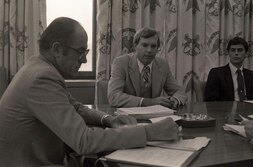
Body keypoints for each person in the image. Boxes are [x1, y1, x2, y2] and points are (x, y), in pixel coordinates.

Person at [0, 17, 181, 167]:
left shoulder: (38, 68)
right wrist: (150, 132)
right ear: (57, 49)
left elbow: (76, 108)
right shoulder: (42, 78)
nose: (85, 59)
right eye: (80, 51)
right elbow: (84, 141)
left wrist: (108, 119)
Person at [108, 27, 187, 109]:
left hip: (155, 118)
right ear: (135, 46)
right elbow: (114, 97)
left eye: (153, 46)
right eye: (145, 45)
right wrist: (149, 102)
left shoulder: (163, 65)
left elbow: (179, 92)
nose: (149, 50)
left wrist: (175, 100)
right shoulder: (121, 63)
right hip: (127, 118)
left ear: (157, 49)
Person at [204, 37, 253, 101]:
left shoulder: (251, 74)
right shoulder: (216, 73)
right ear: (228, 53)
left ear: (246, 54)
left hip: (249, 110)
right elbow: (210, 100)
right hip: (226, 110)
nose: (236, 53)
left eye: (240, 50)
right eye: (233, 50)